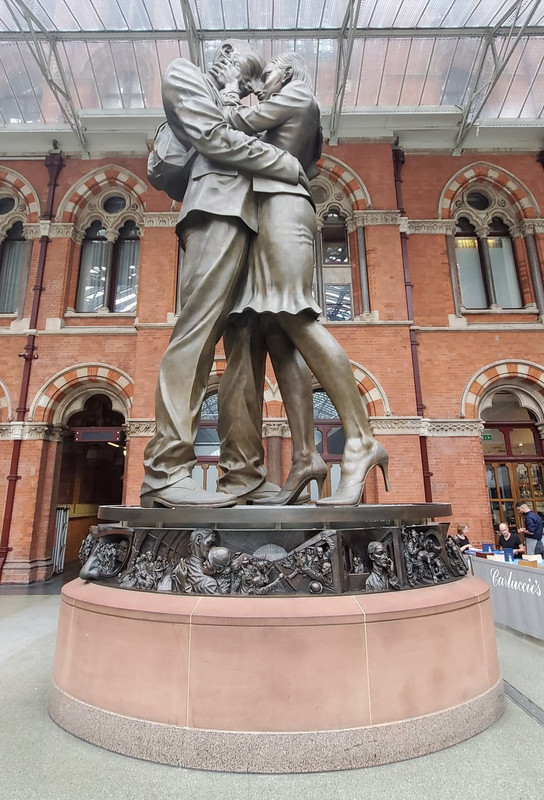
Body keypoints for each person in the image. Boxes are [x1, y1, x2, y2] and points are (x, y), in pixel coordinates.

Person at [140, 41, 310, 508]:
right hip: (214, 211)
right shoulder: (185, 74)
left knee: (247, 349)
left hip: (255, 221)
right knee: (195, 334)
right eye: (245, 71)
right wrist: (284, 164)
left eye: (252, 80)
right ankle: (165, 471)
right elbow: (213, 138)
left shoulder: (241, 106)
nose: (248, 84)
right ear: (224, 55)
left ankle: (244, 474)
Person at [216, 53, 388, 506]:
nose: (262, 82)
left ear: (288, 71)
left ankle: (361, 440)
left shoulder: (296, 95)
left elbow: (232, 124)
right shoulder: (288, 105)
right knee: (277, 329)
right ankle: (306, 456)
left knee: (295, 315)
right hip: (269, 210)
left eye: (269, 71)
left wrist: (232, 87)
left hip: (284, 209)